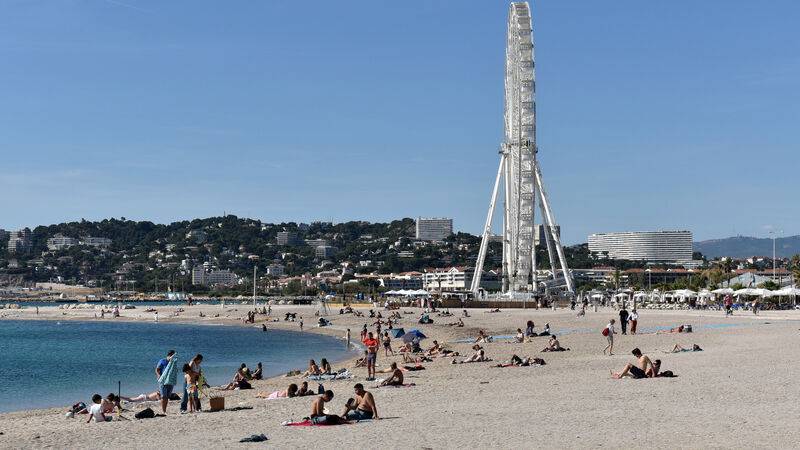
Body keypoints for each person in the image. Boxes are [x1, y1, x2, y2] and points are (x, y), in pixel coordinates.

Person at [155, 350, 178, 414]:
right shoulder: (163, 361)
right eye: (173, 356)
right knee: (163, 396)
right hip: (163, 380)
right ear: (169, 355)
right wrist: (158, 375)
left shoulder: (173, 362)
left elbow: (175, 371)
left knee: (167, 397)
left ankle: (164, 409)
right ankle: (163, 411)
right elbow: (157, 369)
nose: (174, 357)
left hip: (170, 381)